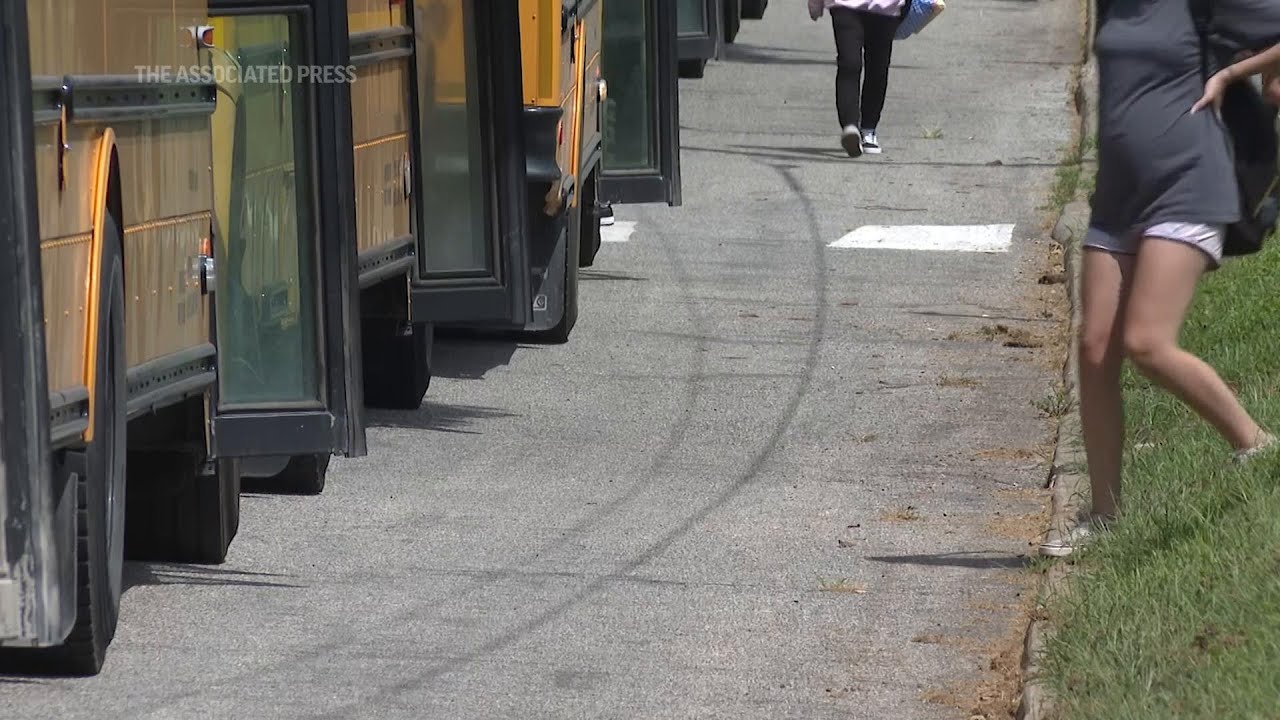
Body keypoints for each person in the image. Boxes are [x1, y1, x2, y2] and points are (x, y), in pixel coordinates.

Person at [1040, 0, 1280, 558]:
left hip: (1188, 183)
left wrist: (1232, 72)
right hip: (1119, 195)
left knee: (1146, 342)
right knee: (1095, 348)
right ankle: (1104, 515)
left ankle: (1257, 445)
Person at [809, 0, 907, 157]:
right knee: (849, 63)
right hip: (844, 5)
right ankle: (850, 127)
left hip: (885, 8)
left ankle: (868, 129)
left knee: (878, 67)